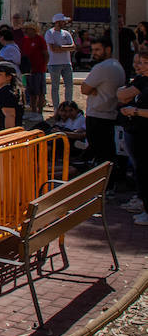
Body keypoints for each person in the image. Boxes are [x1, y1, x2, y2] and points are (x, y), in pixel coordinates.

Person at [80, 35, 125, 185]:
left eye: (98, 49)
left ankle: (101, 186)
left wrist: (93, 89)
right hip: (108, 115)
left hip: (98, 116)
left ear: (108, 49)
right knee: (106, 153)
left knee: (101, 155)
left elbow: (85, 89)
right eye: (93, 50)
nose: (95, 53)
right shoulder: (117, 65)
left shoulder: (103, 67)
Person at [115, 50, 148, 225]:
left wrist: (135, 111)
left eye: (144, 63)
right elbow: (122, 94)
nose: (139, 66)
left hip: (144, 133)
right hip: (137, 132)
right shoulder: (141, 80)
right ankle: (144, 206)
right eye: (138, 62)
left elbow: (124, 95)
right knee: (141, 171)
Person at [46, 13, 77, 111]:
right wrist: (65, 48)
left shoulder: (66, 33)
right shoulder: (49, 33)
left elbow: (73, 47)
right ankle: (56, 108)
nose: (65, 23)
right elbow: (53, 49)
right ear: (58, 22)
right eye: (63, 21)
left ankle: (68, 106)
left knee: (69, 85)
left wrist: (60, 48)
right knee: (55, 87)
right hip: (54, 63)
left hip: (67, 63)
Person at [19, 22, 49, 118]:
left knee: (40, 92)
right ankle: (33, 111)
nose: (26, 31)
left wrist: (44, 66)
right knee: (31, 92)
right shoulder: (24, 40)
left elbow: (45, 54)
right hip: (28, 70)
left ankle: (39, 112)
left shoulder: (40, 39)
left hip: (39, 69)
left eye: (27, 29)